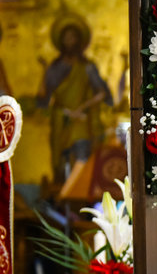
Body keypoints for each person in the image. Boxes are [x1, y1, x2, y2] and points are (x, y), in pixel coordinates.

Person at [40, 13, 112, 183]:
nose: (69, 41)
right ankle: (63, 191)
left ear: (79, 40)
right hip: (61, 121)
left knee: (81, 159)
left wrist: (82, 108)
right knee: (61, 162)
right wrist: (44, 72)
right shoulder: (55, 68)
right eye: (66, 38)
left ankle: (79, 191)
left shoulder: (87, 67)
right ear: (60, 42)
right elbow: (44, 97)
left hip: (81, 122)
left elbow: (102, 93)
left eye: (72, 37)